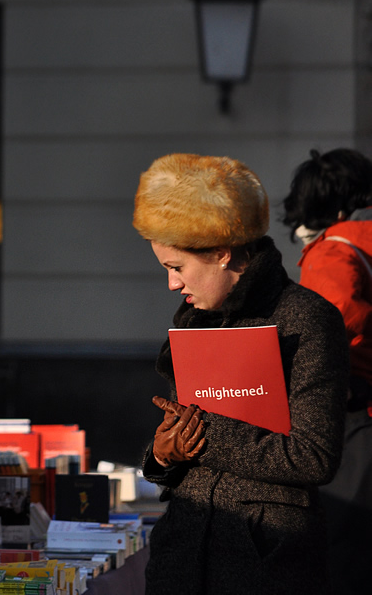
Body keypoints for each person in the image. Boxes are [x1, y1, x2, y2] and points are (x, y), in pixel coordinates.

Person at [132, 153, 349, 594]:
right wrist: (162, 456)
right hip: (181, 558)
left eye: (177, 268)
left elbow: (314, 455)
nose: (172, 284)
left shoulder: (307, 318)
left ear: (221, 253)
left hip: (265, 562)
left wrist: (202, 433)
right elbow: (183, 440)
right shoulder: (193, 319)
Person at [281, 147, 372, 595]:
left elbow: (329, 330)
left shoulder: (334, 252)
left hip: (356, 415)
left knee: (344, 554)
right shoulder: (363, 243)